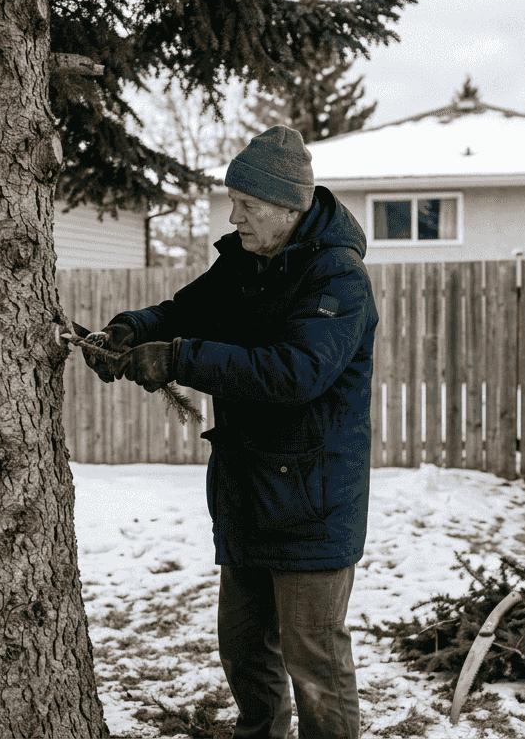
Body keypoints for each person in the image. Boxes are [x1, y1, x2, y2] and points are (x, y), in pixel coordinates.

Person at [84, 125, 377, 739]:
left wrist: (180, 358)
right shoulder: (244, 262)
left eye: (246, 204)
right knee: (245, 654)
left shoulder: (337, 279)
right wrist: (131, 330)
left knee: (315, 664)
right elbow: (181, 311)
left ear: (287, 207)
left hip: (313, 501)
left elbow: (297, 373)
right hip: (247, 493)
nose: (234, 214)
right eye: (232, 200)